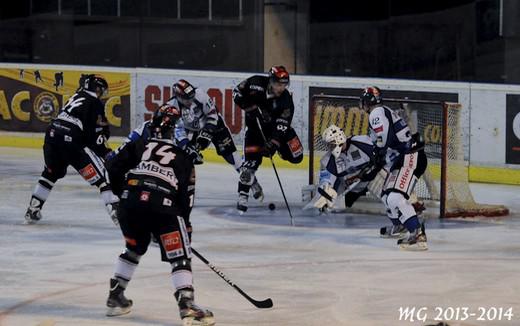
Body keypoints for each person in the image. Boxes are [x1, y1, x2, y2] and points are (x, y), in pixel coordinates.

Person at [104, 104, 215, 325]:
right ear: (176, 132)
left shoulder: (139, 145)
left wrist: (121, 192)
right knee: (179, 256)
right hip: (162, 206)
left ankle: (116, 297)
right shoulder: (184, 158)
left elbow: (111, 164)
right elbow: (186, 201)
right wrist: (184, 230)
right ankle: (187, 305)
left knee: (134, 247)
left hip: (130, 204)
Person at [24, 74, 119, 225]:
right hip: (70, 138)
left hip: (52, 134)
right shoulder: (94, 102)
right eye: (101, 90)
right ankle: (116, 212)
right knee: (104, 177)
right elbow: (92, 135)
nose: (102, 94)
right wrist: (105, 152)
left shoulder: (75, 96)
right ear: (96, 88)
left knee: (50, 174)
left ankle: (32, 209)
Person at [165, 79, 265, 201]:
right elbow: (178, 131)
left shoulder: (200, 94)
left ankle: (253, 183)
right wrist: (187, 146)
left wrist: (206, 135)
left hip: (214, 125)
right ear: (178, 97)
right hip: (192, 131)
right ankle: (182, 191)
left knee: (232, 157)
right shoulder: (172, 107)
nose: (191, 101)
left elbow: (213, 115)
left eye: (192, 97)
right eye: (187, 99)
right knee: (184, 159)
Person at [360, 86, 428, 251]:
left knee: (394, 198)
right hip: (405, 158)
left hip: (411, 157)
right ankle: (401, 226)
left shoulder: (377, 113)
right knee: (386, 195)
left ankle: (417, 234)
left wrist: (378, 153)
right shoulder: (383, 111)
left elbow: (384, 138)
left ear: (368, 101)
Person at [232, 65, 304, 213]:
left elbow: (282, 125)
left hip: (276, 131)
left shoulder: (286, 101)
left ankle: (282, 152)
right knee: (249, 165)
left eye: (284, 85)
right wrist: (248, 106)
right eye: (278, 84)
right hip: (255, 131)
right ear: (271, 81)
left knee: (297, 156)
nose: (281, 88)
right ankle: (242, 195)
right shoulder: (255, 82)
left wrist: (274, 144)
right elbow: (236, 92)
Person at [304, 125, 379, 212]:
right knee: (333, 208)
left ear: (339, 139)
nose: (330, 148)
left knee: (387, 191)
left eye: (331, 144)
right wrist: (325, 196)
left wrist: (375, 166)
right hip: (351, 189)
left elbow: (382, 153)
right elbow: (326, 182)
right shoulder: (328, 160)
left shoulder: (362, 142)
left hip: (372, 180)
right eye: (328, 145)